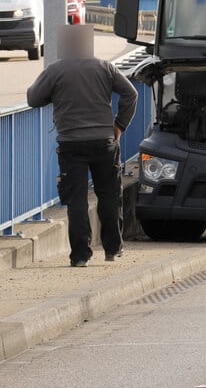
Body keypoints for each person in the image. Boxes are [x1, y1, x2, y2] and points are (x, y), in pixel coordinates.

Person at [26, 25, 138, 267]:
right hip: (104, 142)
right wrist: (119, 125)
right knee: (109, 195)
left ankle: (80, 256)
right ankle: (112, 249)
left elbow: (33, 98)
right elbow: (131, 94)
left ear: (64, 45)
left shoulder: (55, 70)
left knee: (76, 200)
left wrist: (52, 95)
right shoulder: (104, 67)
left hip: (70, 144)